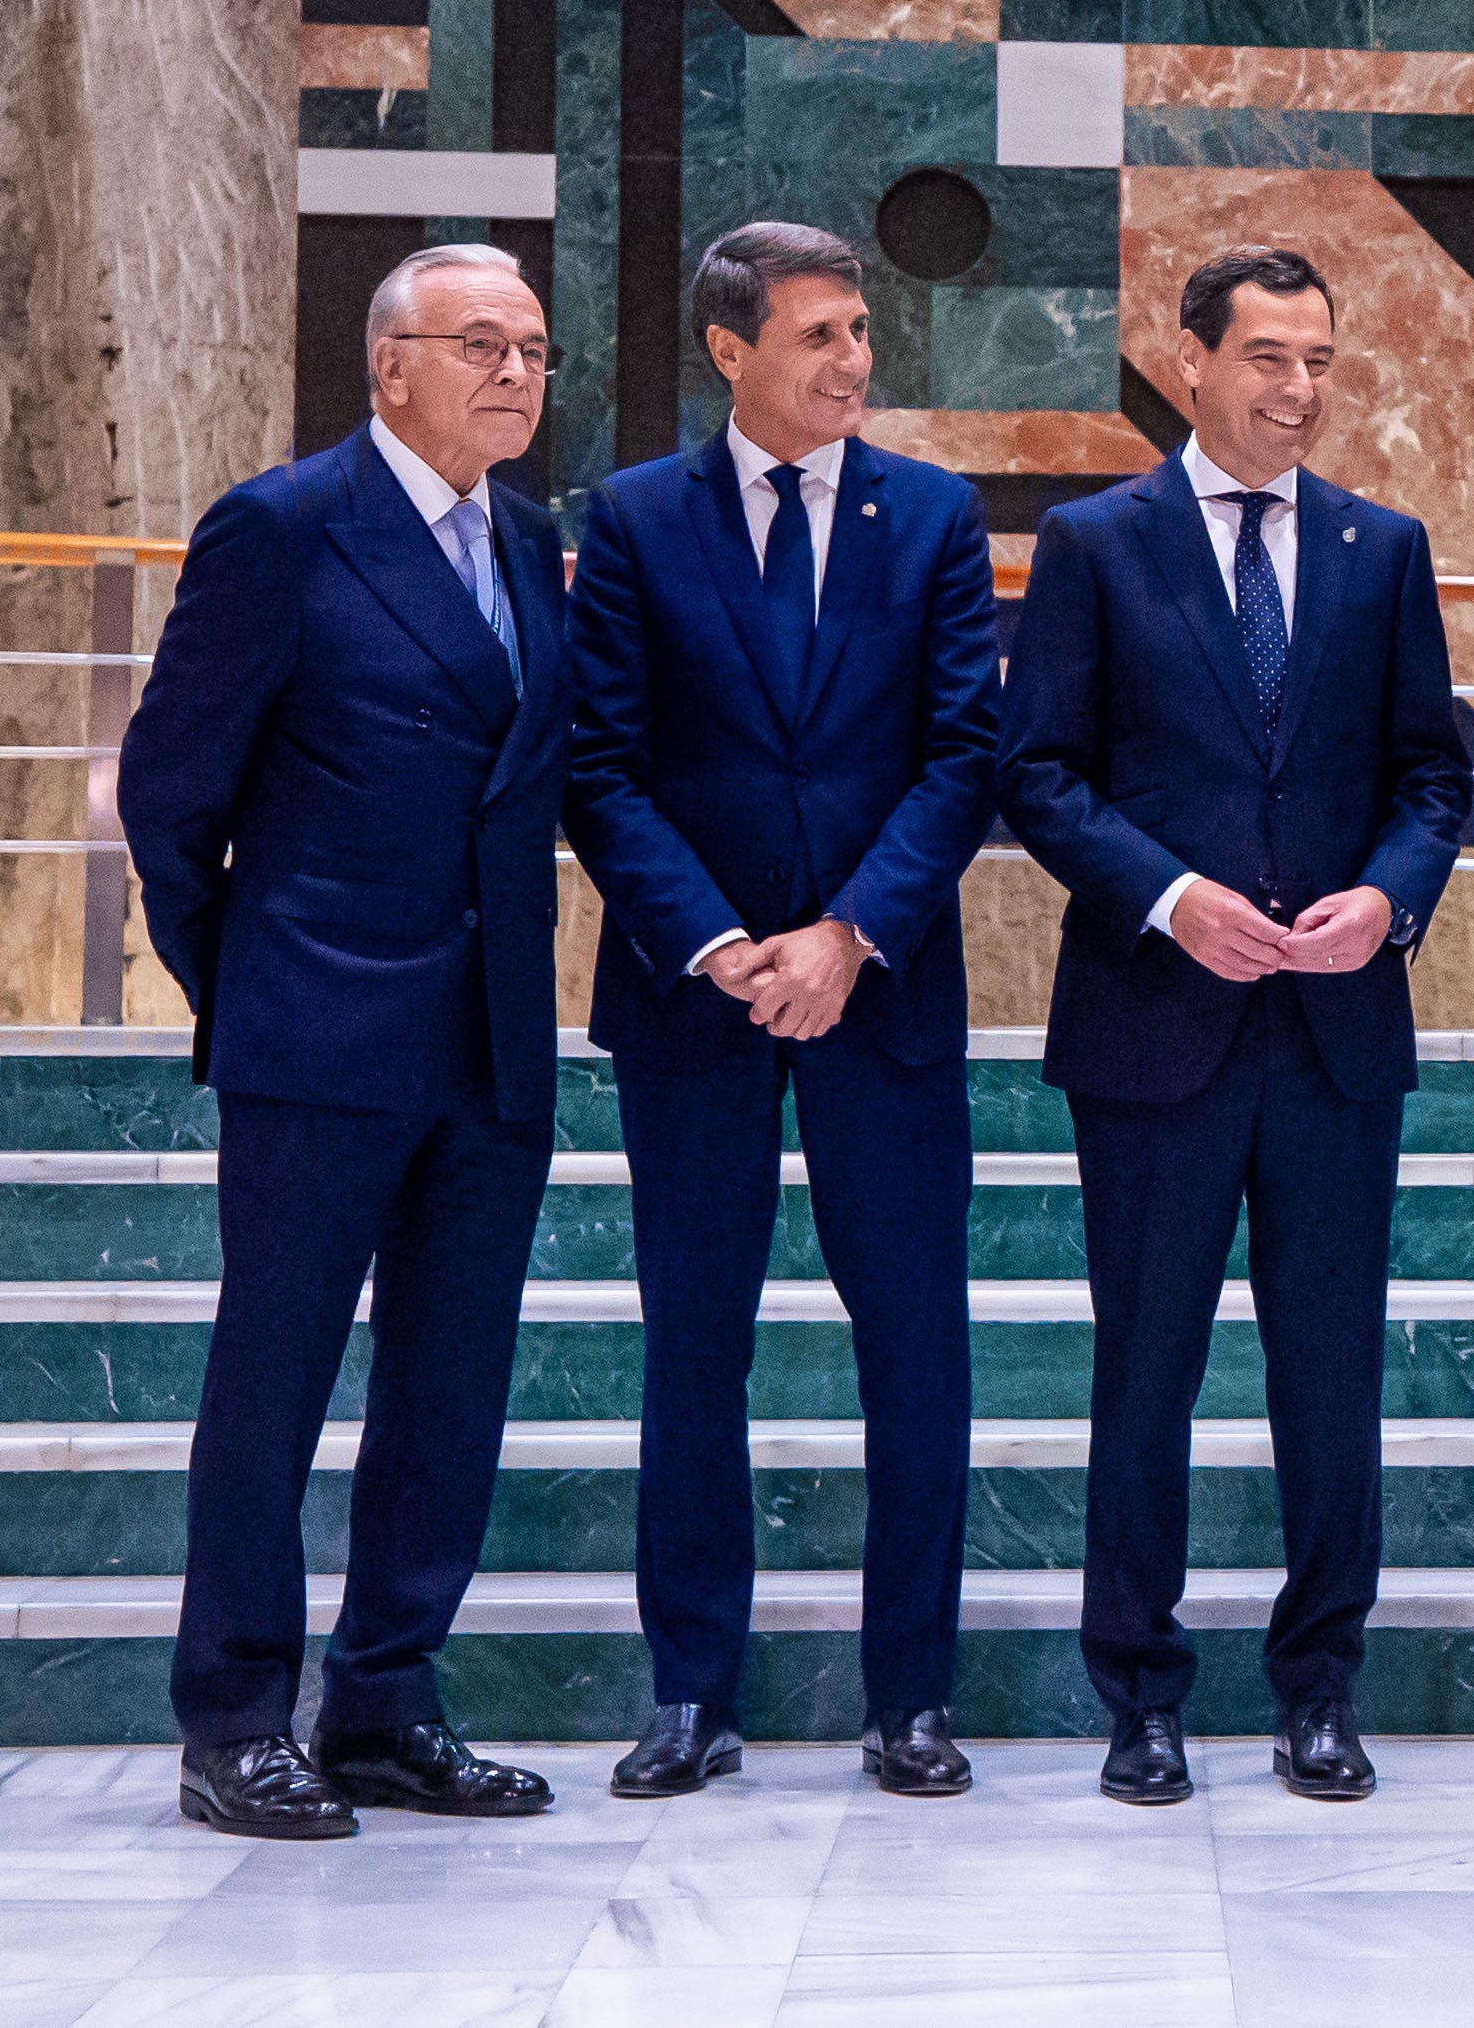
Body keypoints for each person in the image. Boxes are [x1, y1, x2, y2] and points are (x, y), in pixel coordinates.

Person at [998, 246, 1469, 1805]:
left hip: (1335, 1033)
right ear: (1188, 363)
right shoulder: (1093, 541)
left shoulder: (1380, 545)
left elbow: (1428, 777)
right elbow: (1041, 771)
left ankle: (1320, 1687)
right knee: (1146, 1374)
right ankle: (1139, 1693)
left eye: (1322, 360)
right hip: (1154, 1022)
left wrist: (1388, 901)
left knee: (1330, 1379)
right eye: (1268, 357)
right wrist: (1170, 893)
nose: (1297, 388)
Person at [123, 242, 571, 1838]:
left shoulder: (530, 542)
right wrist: (247, 982)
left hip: (494, 1039)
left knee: (451, 1389)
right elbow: (174, 794)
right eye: (479, 345)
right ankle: (234, 1714)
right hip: (317, 1035)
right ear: (389, 365)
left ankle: (386, 1703)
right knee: (276, 1381)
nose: (515, 372)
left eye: (532, 347)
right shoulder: (284, 525)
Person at [563, 222, 1000, 1801]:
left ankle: (913, 1698)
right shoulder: (628, 521)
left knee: (918, 1352)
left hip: (880, 997)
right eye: (820, 335)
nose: (855, 361)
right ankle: (690, 1693)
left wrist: (849, 935)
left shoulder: (935, 516)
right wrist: (719, 943)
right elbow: (597, 764)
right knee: (695, 1349)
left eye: (863, 331)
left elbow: (967, 757)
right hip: (699, 1005)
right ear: (729, 348)